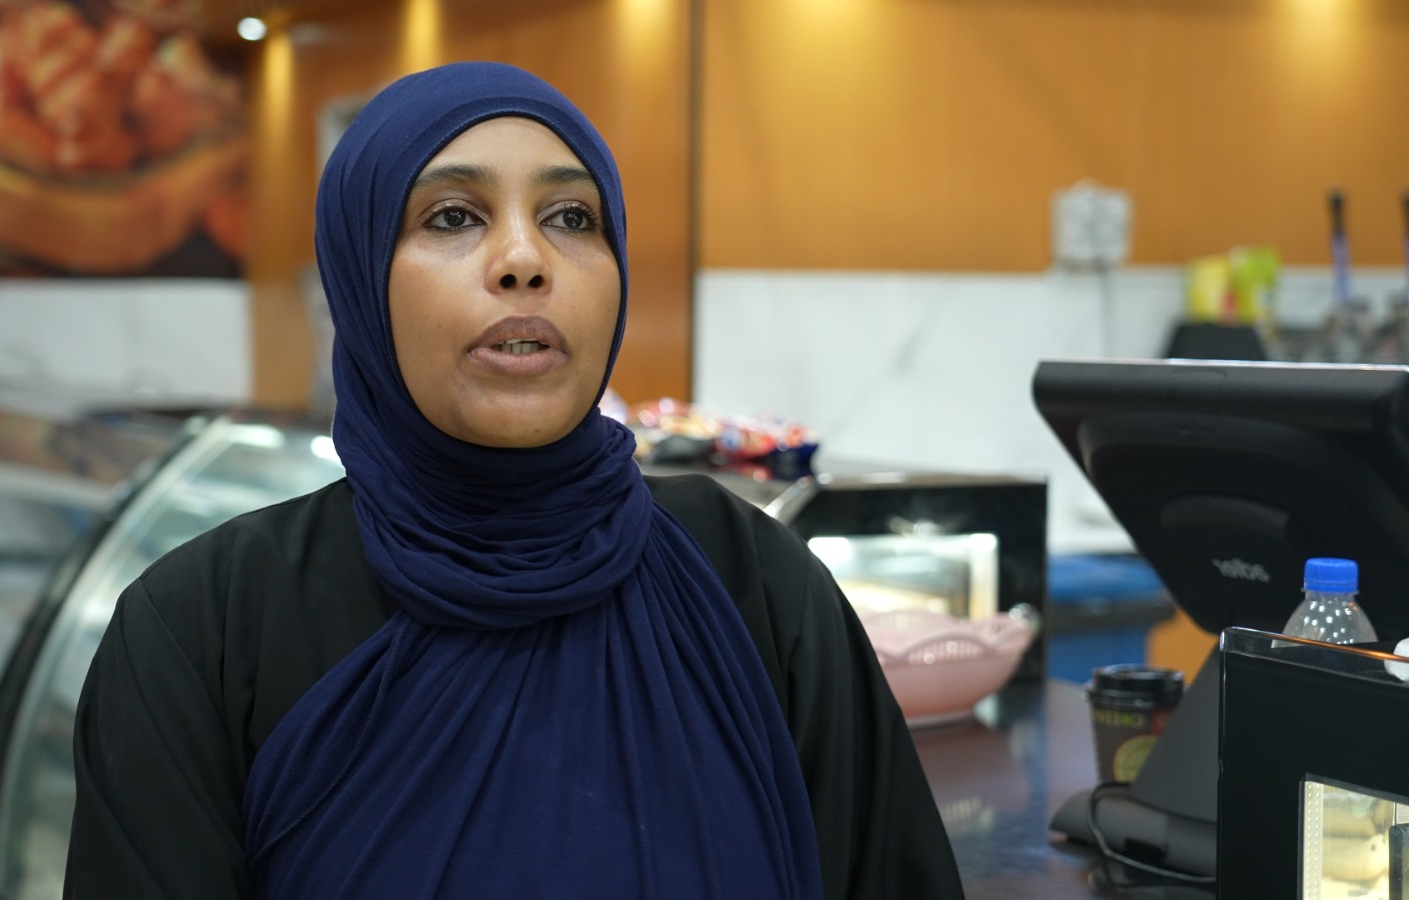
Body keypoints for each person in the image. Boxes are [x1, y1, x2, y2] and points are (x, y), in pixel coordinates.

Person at [65, 61, 964, 899]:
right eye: (452, 217)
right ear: (359, 276)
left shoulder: (752, 581)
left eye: (572, 218)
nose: (525, 258)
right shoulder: (207, 631)